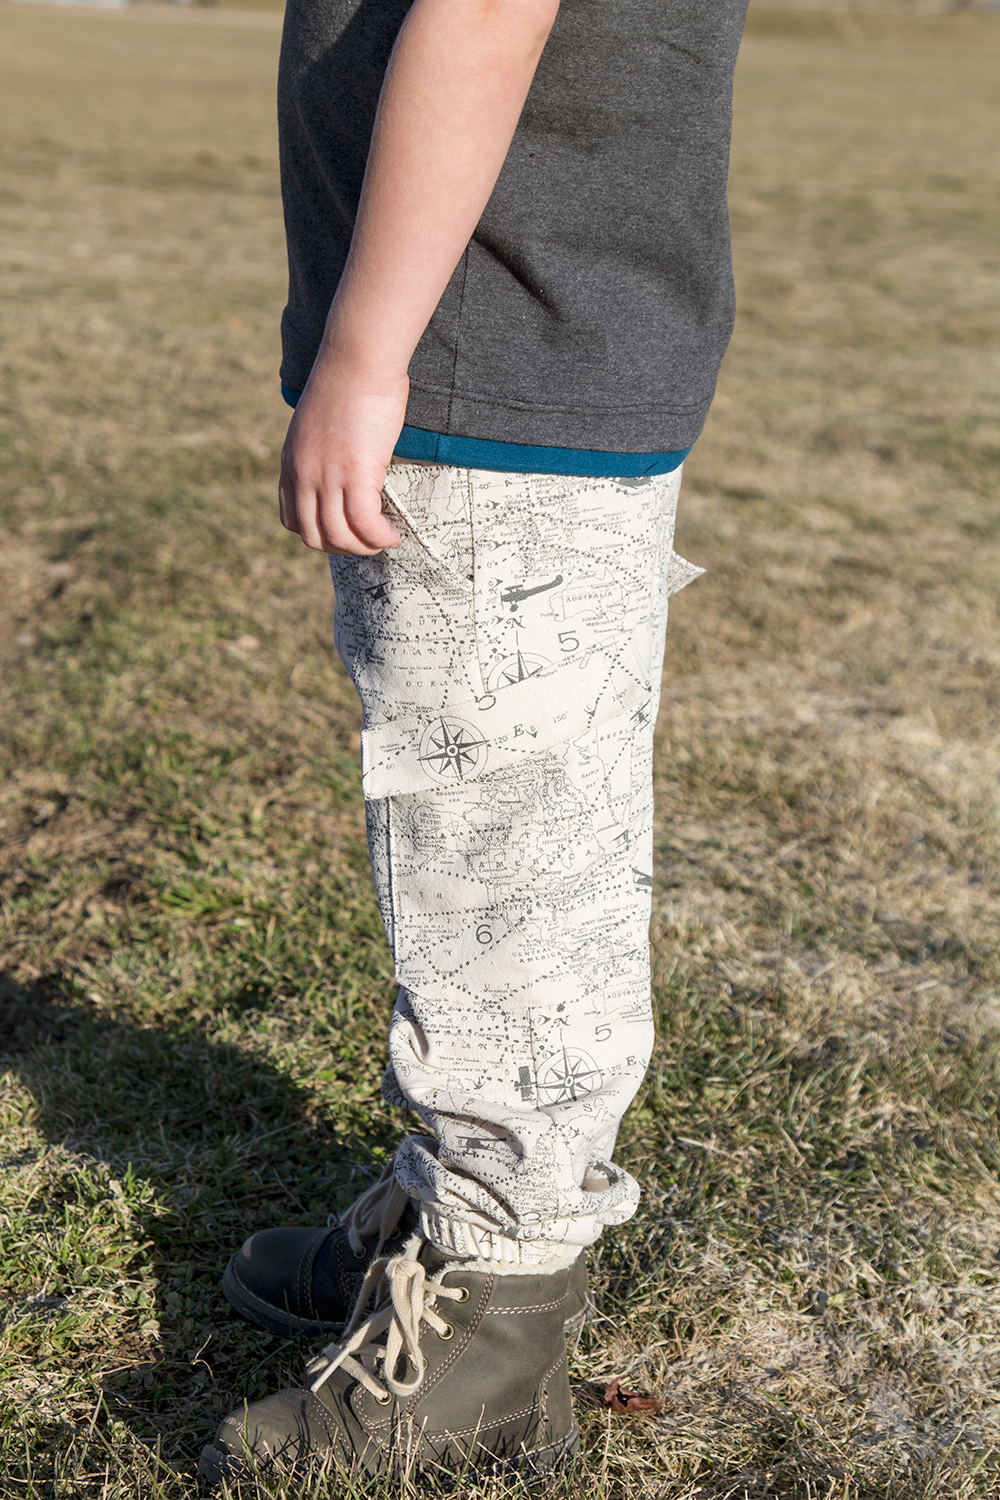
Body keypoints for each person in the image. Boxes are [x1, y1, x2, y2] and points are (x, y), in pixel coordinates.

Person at [199, 0, 748, 1481]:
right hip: (532, 338)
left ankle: (497, 1304)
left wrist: (368, 352)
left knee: (501, 870)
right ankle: (459, 1208)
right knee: (521, 835)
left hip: (488, 348)